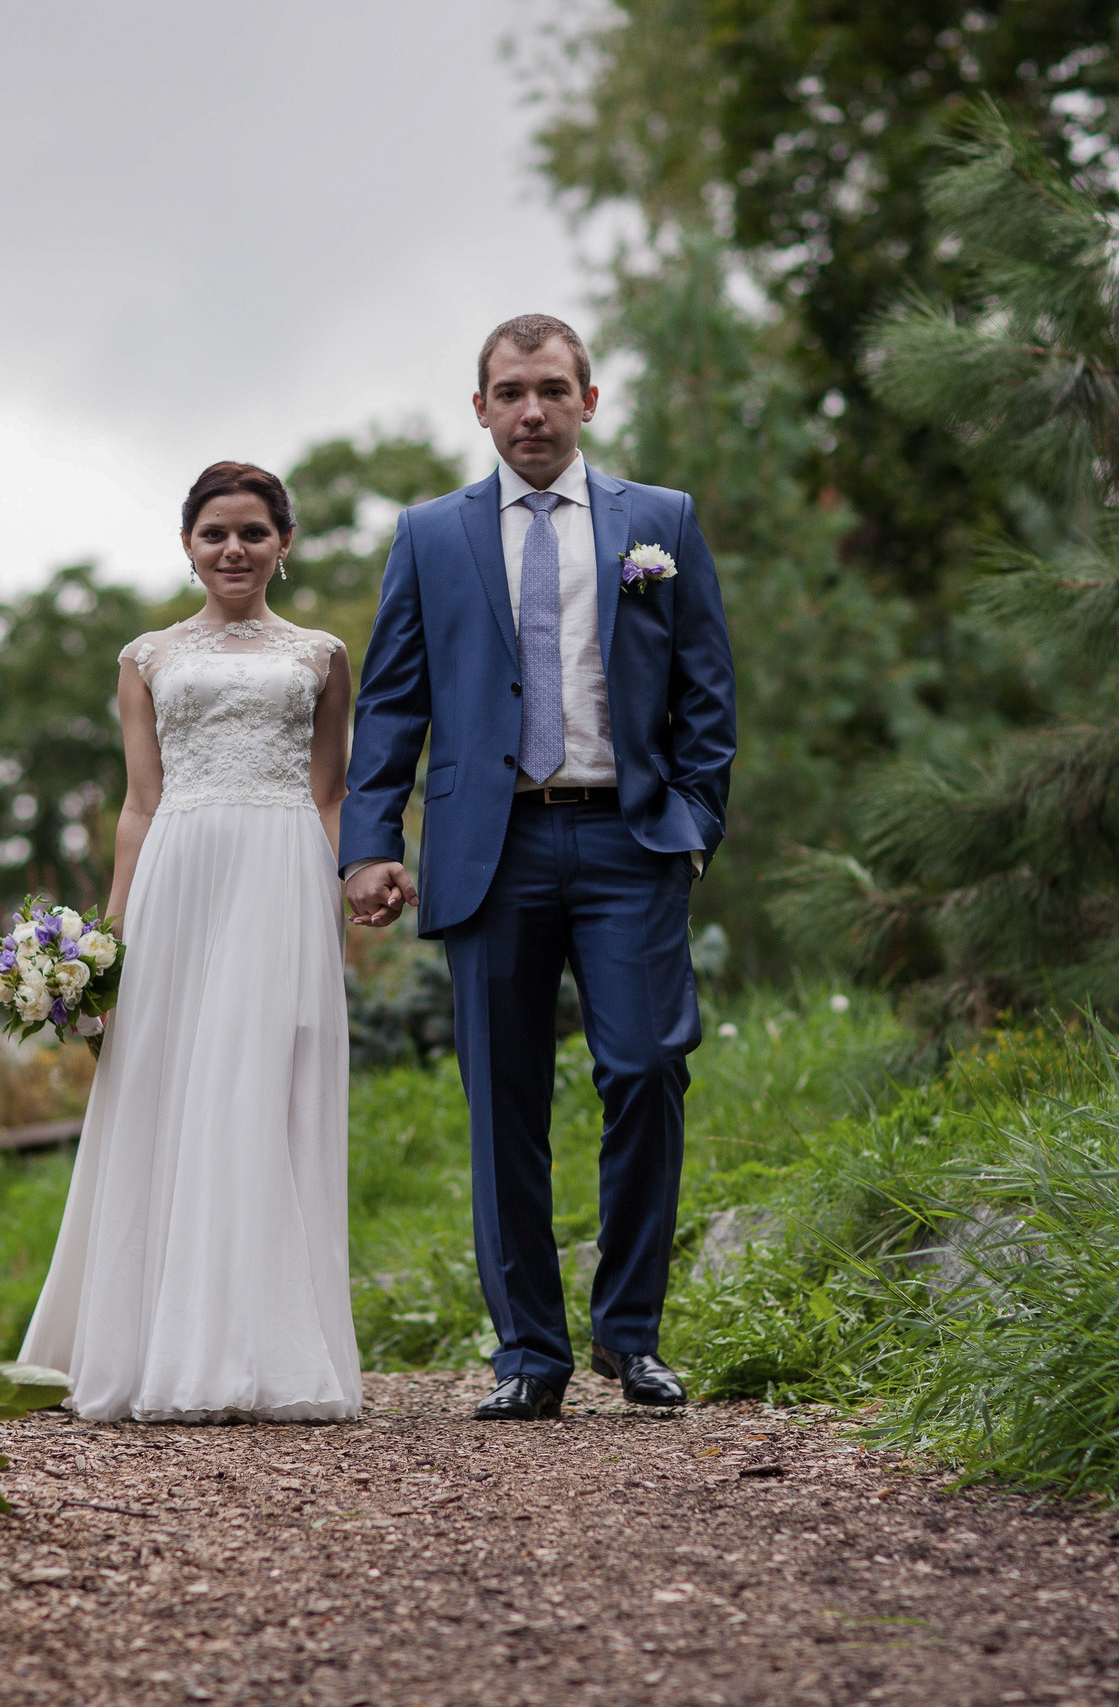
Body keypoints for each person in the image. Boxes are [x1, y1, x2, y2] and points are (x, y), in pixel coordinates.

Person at [340, 314, 737, 1421]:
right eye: (509, 392)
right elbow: (392, 701)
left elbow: (706, 683)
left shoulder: (660, 522)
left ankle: (630, 1335)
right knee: (502, 1100)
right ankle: (529, 1354)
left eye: (551, 389)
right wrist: (370, 842)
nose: (531, 411)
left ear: (589, 401)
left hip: (630, 839)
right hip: (490, 849)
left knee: (649, 1068)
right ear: (478, 408)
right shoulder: (429, 535)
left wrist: (695, 817)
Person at [18, 461, 361, 1423]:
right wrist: (109, 939)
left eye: (254, 532)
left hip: (282, 866)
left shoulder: (323, 657)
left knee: (258, 1082)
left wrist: (346, 887)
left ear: (283, 544)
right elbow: (138, 800)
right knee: (168, 1085)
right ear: (187, 546)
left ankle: (259, 1343)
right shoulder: (146, 658)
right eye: (215, 534)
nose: (234, 550)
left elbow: (332, 794)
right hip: (179, 873)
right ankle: (150, 1343)